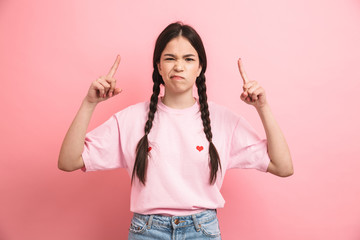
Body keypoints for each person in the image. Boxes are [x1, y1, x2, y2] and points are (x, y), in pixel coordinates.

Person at [58, 21, 293, 240]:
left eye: (189, 59)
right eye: (170, 58)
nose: (179, 66)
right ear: (159, 66)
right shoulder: (130, 119)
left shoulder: (223, 120)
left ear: (200, 67)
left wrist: (262, 107)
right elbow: (68, 161)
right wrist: (89, 104)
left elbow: (283, 167)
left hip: (202, 231)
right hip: (146, 232)